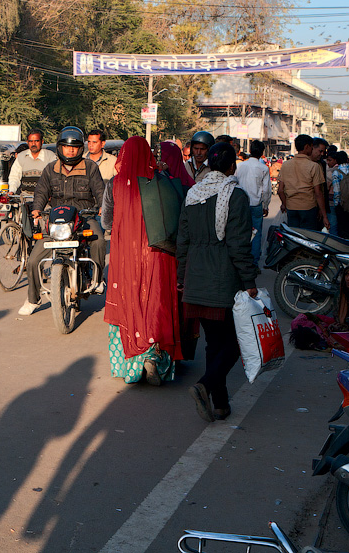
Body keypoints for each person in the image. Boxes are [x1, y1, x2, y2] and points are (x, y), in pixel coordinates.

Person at [177, 142, 259, 422]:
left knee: (214, 343)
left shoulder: (193, 194)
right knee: (236, 342)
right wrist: (249, 280)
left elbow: (183, 240)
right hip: (222, 280)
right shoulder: (235, 195)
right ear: (232, 166)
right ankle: (205, 385)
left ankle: (221, 405)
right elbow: (239, 245)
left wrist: (181, 277)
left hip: (196, 278)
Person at [101, 136, 182, 386]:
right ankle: (154, 356)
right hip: (157, 253)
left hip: (126, 254)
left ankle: (132, 366)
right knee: (156, 300)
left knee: (129, 299)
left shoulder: (115, 184)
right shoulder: (159, 180)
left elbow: (106, 221)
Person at [19, 127, 105, 316]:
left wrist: (101, 206)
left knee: (99, 239)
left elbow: (100, 191)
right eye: (66, 146)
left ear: (80, 149)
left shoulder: (90, 167)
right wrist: (36, 209)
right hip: (56, 222)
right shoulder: (50, 169)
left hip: (84, 217)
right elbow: (41, 191)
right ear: (60, 147)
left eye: (74, 147)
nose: (70, 150)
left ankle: (97, 279)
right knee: (33, 260)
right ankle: (33, 299)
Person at [277, 134, 329, 231]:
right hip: (308, 208)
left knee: (294, 235)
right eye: (311, 147)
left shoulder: (285, 165)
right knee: (307, 236)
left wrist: (286, 204)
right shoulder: (314, 166)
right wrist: (324, 215)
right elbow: (318, 193)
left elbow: (280, 190)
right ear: (307, 147)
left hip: (291, 208)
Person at [235, 139, 271, 262]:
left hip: (241, 204)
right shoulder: (263, 168)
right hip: (256, 204)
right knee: (256, 233)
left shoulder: (240, 166)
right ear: (262, 152)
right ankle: (254, 262)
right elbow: (266, 190)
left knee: (240, 231)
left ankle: (241, 259)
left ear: (250, 150)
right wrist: (265, 205)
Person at [7, 129, 56, 194]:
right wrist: (12, 191)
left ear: (42, 141)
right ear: (27, 142)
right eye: (31, 141)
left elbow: (55, 178)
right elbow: (14, 177)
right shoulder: (21, 156)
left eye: (36, 141)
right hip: (25, 197)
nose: (33, 144)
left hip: (44, 197)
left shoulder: (50, 156)